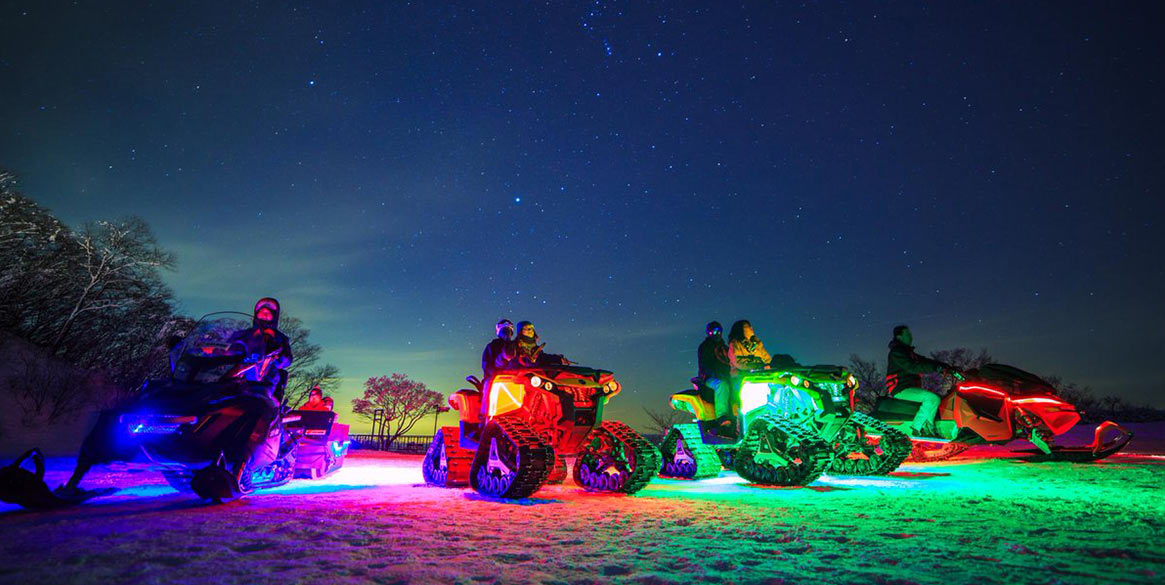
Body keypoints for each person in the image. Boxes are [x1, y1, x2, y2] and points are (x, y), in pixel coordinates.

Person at [57, 298, 292, 498]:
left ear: (274, 316)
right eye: (260, 311)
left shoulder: (279, 338)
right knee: (154, 395)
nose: (263, 315)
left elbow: (286, 360)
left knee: (254, 406)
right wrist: (199, 348)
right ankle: (81, 472)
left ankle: (240, 468)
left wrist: (276, 355)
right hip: (227, 377)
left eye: (268, 312)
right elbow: (226, 347)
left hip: (259, 382)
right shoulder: (243, 333)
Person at [885, 325, 952, 439]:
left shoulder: (909, 353)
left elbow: (925, 361)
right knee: (932, 398)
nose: (911, 337)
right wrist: (936, 369)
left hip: (908, 386)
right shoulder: (897, 352)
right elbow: (912, 367)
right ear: (899, 336)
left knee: (937, 399)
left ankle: (931, 426)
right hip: (900, 388)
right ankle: (919, 427)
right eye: (907, 334)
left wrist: (945, 366)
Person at [696, 321, 734, 430]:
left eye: (718, 331)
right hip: (709, 378)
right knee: (721, 385)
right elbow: (704, 363)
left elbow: (731, 362)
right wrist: (714, 373)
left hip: (727, 376)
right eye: (713, 332)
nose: (716, 334)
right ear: (708, 333)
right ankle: (721, 416)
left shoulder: (725, 348)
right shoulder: (705, 347)